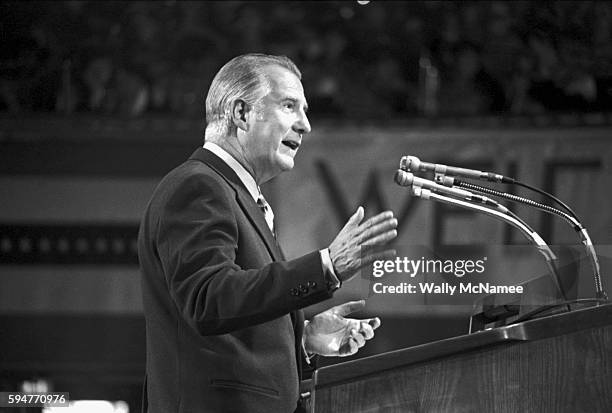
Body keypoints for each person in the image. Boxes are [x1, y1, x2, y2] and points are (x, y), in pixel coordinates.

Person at [138, 53, 398, 413]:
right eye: (289, 106)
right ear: (241, 113)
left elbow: (235, 312)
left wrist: (300, 339)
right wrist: (326, 266)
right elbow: (208, 300)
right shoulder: (199, 186)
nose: (305, 124)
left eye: (305, 110)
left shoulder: (237, 195)